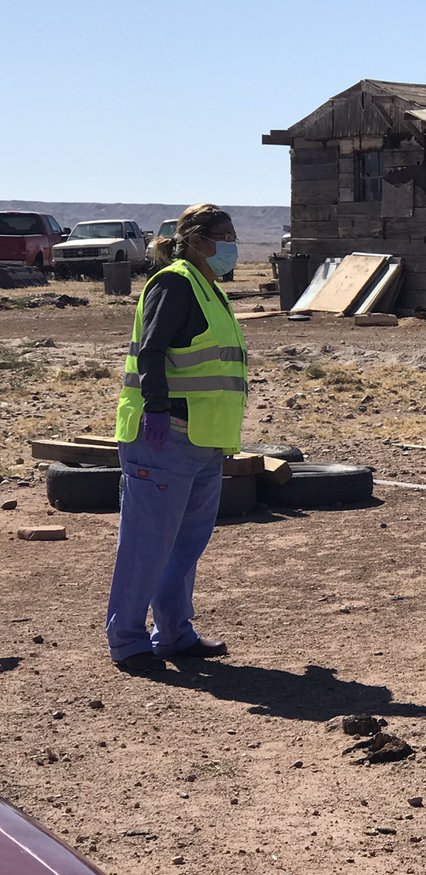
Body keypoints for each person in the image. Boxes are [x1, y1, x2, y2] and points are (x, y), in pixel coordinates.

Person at [105, 203, 247, 673]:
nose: (232, 246)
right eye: (224, 236)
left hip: (205, 439)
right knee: (146, 543)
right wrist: (159, 409)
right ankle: (127, 640)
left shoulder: (209, 288)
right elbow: (152, 350)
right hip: (165, 436)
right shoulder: (176, 282)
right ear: (199, 239)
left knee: (187, 543)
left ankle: (174, 631)